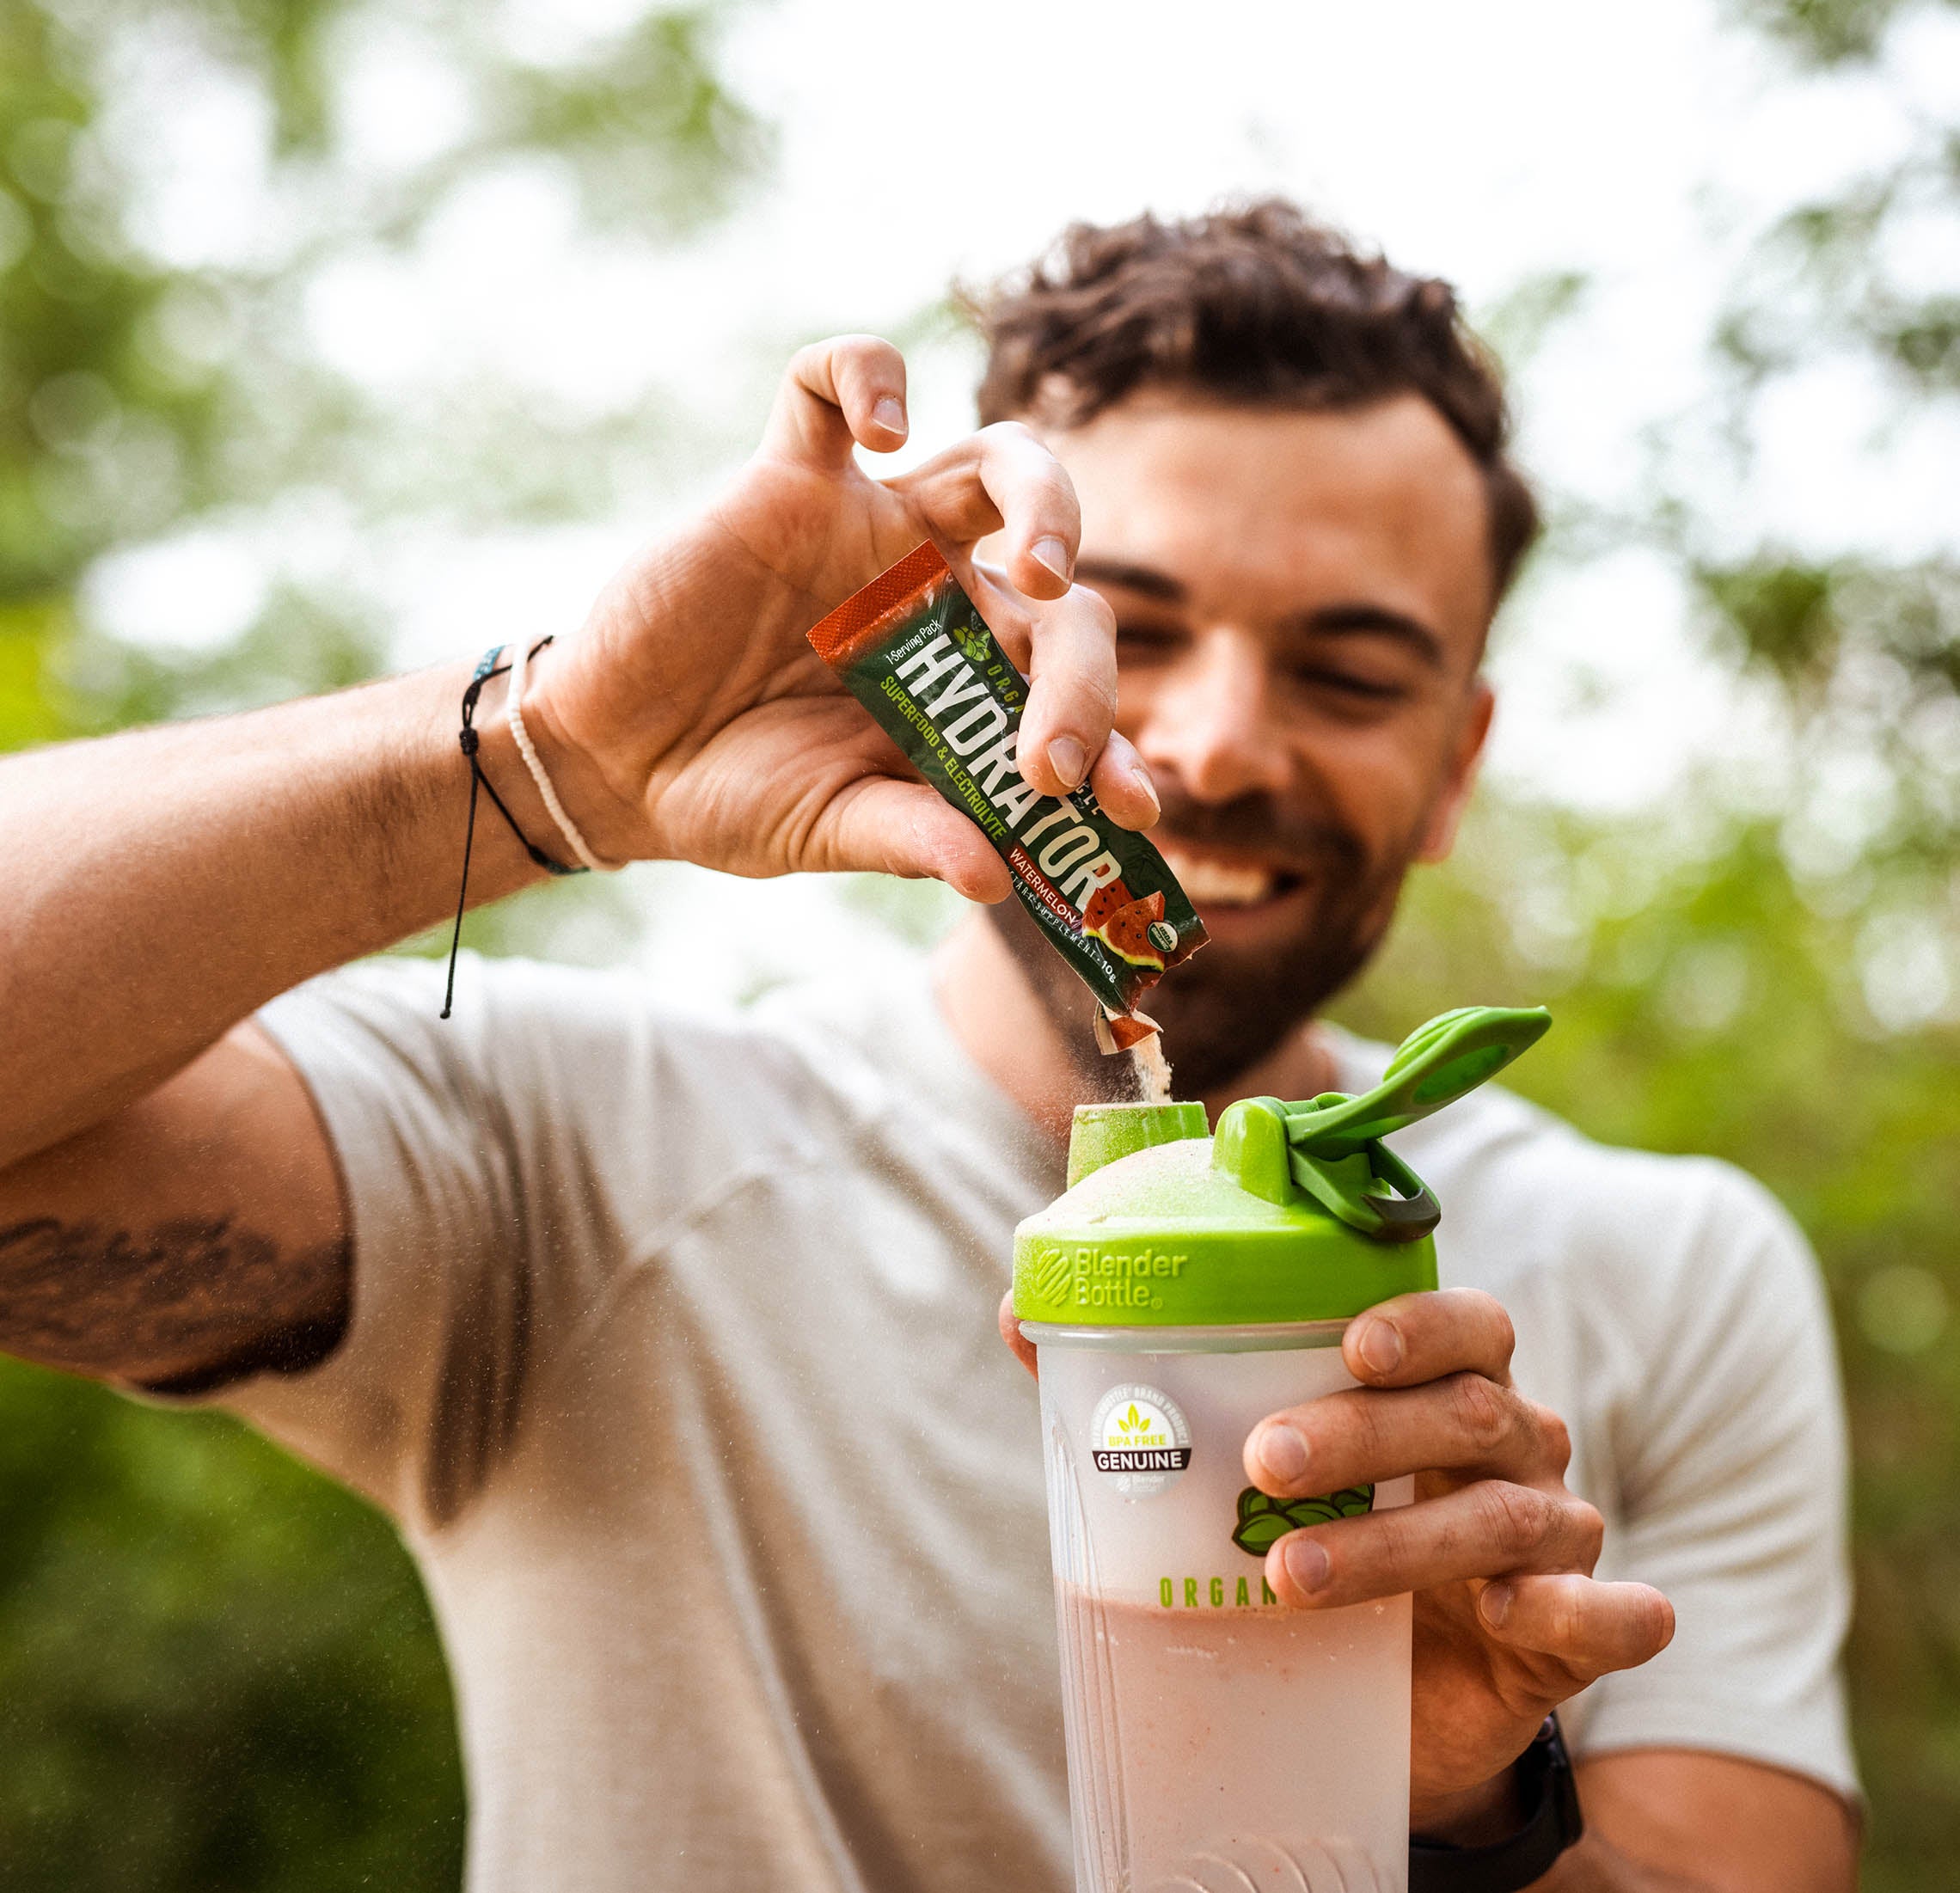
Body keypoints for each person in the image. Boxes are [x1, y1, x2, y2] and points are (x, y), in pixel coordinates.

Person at [0, 203, 1857, 1891]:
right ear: (963, 649)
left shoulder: (1665, 1270)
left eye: (1354, 673)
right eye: (1135, 622)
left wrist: (1469, 1818)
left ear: (1456, 762)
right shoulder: (571, 1160)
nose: (1216, 743)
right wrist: (553, 755)